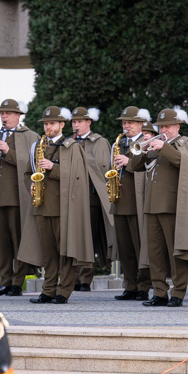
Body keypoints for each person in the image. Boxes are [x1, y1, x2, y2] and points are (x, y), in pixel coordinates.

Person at [128, 108, 188, 307]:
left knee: (176, 253)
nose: (164, 129)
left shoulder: (186, 144)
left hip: (174, 206)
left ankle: (178, 292)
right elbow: (135, 166)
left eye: (168, 126)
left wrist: (163, 146)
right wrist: (144, 151)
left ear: (177, 126)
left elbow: (184, 162)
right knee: (154, 253)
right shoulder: (155, 144)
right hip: (152, 205)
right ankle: (159, 292)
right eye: (161, 126)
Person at [19, 106, 93, 304]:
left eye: (52, 123)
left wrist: (54, 168)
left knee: (64, 251)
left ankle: (64, 290)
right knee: (48, 252)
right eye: (45, 123)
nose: (48, 127)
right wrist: (31, 187)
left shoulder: (71, 146)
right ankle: (48, 290)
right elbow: (27, 174)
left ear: (62, 124)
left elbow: (78, 176)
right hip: (42, 205)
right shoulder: (37, 146)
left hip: (63, 207)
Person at [0, 99, 40, 297]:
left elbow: (32, 165)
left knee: (19, 240)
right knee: (2, 242)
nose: (4, 116)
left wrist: (8, 152)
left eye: (8, 113)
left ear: (18, 115)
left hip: (18, 195)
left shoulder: (30, 136)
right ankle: (4, 281)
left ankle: (18, 282)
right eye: (1, 113)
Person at [70, 107, 115, 292]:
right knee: (73, 239)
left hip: (91, 199)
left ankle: (85, 279)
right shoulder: (69, 142)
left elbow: (103, 169)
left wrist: (79, 154)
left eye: (80, 121)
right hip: (73, 199)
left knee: (88, 239)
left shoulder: (100, 142)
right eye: (74, 122)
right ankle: (71, 278)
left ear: (89, 122)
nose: (76, 125)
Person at [110, 107, 152, 301]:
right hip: (120, 199)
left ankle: (144, 285)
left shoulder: (147, 143)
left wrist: (128, 161)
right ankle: (130, 285)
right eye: (124, 122)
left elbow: (148, 170)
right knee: (125, 248)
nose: (126, 126)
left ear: (141, 124)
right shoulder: (118, 143)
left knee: (139, 245)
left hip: (138, 201)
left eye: (131, 122)